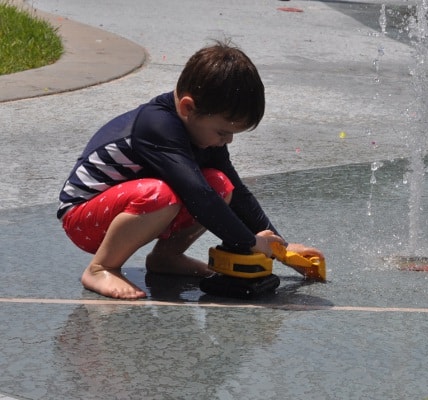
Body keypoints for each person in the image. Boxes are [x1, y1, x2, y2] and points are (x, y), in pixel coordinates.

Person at [57, 41, 324, 300]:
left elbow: (236, 192)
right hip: (83, 218)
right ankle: (101, 267)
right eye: (223, 132)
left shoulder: (200, 130)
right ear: (188, 107)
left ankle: (166, 257)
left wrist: (282, 249)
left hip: (124, 211)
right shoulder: (156, 127)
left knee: (220, 184)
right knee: (163, 195)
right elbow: (197, 195)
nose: (227, 141)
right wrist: (250, 242)